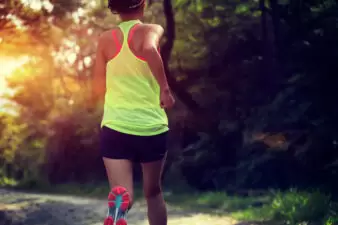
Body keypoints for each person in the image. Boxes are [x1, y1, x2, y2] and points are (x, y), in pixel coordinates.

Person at [92, 0, 175, 225]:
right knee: (153, 192)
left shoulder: (105, 40)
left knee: (121, 191)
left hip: (116, 125)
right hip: (152, 126)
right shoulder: (152, 29)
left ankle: (118, 212)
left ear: (115, 8)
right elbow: (148, 48)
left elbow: (98, 87)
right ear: (144, 3)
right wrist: (165, 90)